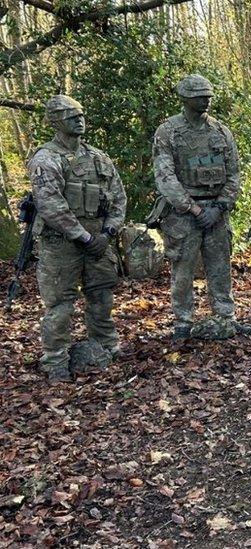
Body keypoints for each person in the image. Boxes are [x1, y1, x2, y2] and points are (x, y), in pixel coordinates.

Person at [28, 95, 127, 381]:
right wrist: (83, 237)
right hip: (62, 244)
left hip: (99, 240)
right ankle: (55, 360)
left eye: (81, 115)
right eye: (72, 116)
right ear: (56, 121)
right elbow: (50, 205)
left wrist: (108, 233)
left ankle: (106, 346)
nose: (79, 120)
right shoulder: (46, 159)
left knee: (102, 297)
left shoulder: (98, 157)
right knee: (60, 304)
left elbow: (118, 198)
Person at [153, 74, 245, 340]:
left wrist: (220, 207)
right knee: (183, 269)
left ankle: (225, 317)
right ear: (185, 99)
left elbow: (234, 173)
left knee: (220, 267)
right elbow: (165, 177)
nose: (205, 101)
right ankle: (183, 321)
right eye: (199, 97)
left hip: (216, 211)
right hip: (184, 215)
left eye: (208, 96)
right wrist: (193, 209)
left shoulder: (220, 131)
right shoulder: (168, 132)